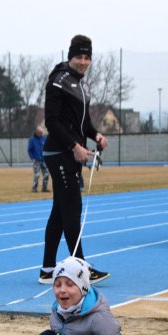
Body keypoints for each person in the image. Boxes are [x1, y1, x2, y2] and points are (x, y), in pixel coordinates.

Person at [39, 35, 110, 285]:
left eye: (87, 57)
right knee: (72, 209)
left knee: (60, 212)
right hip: (59, 153)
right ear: (70, 56)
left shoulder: (83, 86)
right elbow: (52, 121)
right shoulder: (58, 81)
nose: (83, 61)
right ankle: (81, 268)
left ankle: (47, 269)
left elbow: (84, 124)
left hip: (70, 153)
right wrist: (74, 146)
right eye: (78, 56)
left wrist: (96, 135)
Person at [27, 126, 50, 193]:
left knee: (46, 174)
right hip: (36, 160)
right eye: (40, 132)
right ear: (37, 132)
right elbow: (29, 150)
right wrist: (32, 158)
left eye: (42, 132)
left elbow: (47, 148)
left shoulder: (44, 139)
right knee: (37, 175)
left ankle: (44, 188)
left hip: (44, 160)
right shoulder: (32, 140)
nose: (41, 134)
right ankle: (34, 188)